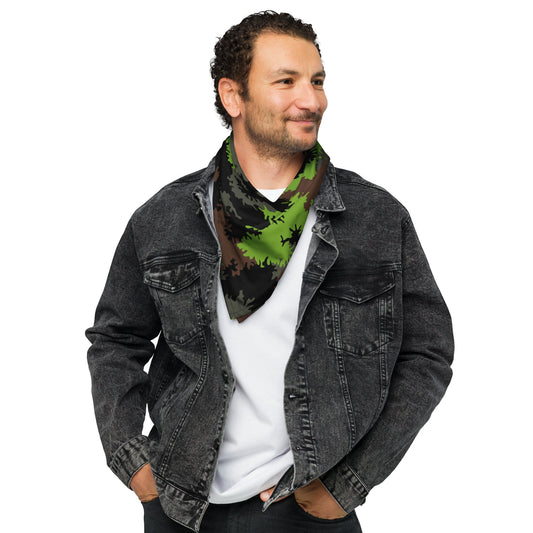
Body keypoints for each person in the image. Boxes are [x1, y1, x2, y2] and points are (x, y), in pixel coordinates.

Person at [86, 11, 454, 533]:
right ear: (233, 96)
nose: (313, 100)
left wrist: (349, 483)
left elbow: (427, 352)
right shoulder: (164, 219)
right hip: (181, 507)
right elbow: (115, 339)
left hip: (308, 507)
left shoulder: (375, 218)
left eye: (317, 81)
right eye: (287, 82)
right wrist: (133, 461)